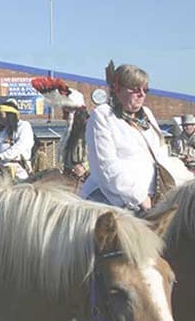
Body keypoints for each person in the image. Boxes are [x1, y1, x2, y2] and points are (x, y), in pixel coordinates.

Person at [81, 62, 193, 212]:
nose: (142, 94)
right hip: (114, 201)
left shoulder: (146, 113)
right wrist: (140, 198)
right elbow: (107, 167)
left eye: (145, 90)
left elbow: (160, 157)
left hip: (155, 197)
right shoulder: (102, 115)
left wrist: (188, 183)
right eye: (135, 89)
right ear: (117, 88)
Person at [0, 98, 34, 180]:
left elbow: (20, 146)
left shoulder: (24, 126)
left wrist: (2, 156)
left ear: (9, 115)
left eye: (1, 115)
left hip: (18, 172)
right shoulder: (0, 132)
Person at [61, 107, 90, 180]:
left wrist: (84, 166)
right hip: (71, 172)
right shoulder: (71, 132)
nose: (64, 117)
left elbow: (97, 153)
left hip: (86, 174)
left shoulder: (90, 131)